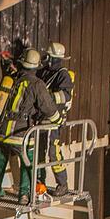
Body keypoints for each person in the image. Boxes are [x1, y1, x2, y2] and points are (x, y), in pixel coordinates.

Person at [0, 47, 61, 203]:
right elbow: (48, 107)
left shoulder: (11, 79)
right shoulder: (37, 84)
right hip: (21, 134)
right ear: (36, 66)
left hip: (0, 130)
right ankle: (24, 195)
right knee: (28, 162)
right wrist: (58, 120)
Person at [34, 42, 75, 197]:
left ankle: (62, 184)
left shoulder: (62, 74)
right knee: (38, 153)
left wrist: (48, 97)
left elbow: (66, 96)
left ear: (55, 59)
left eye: (48, 57)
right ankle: (39, 183)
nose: (45, 59)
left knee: (53, 153)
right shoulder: (44, 72)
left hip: (53, 120)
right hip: (40, 120)